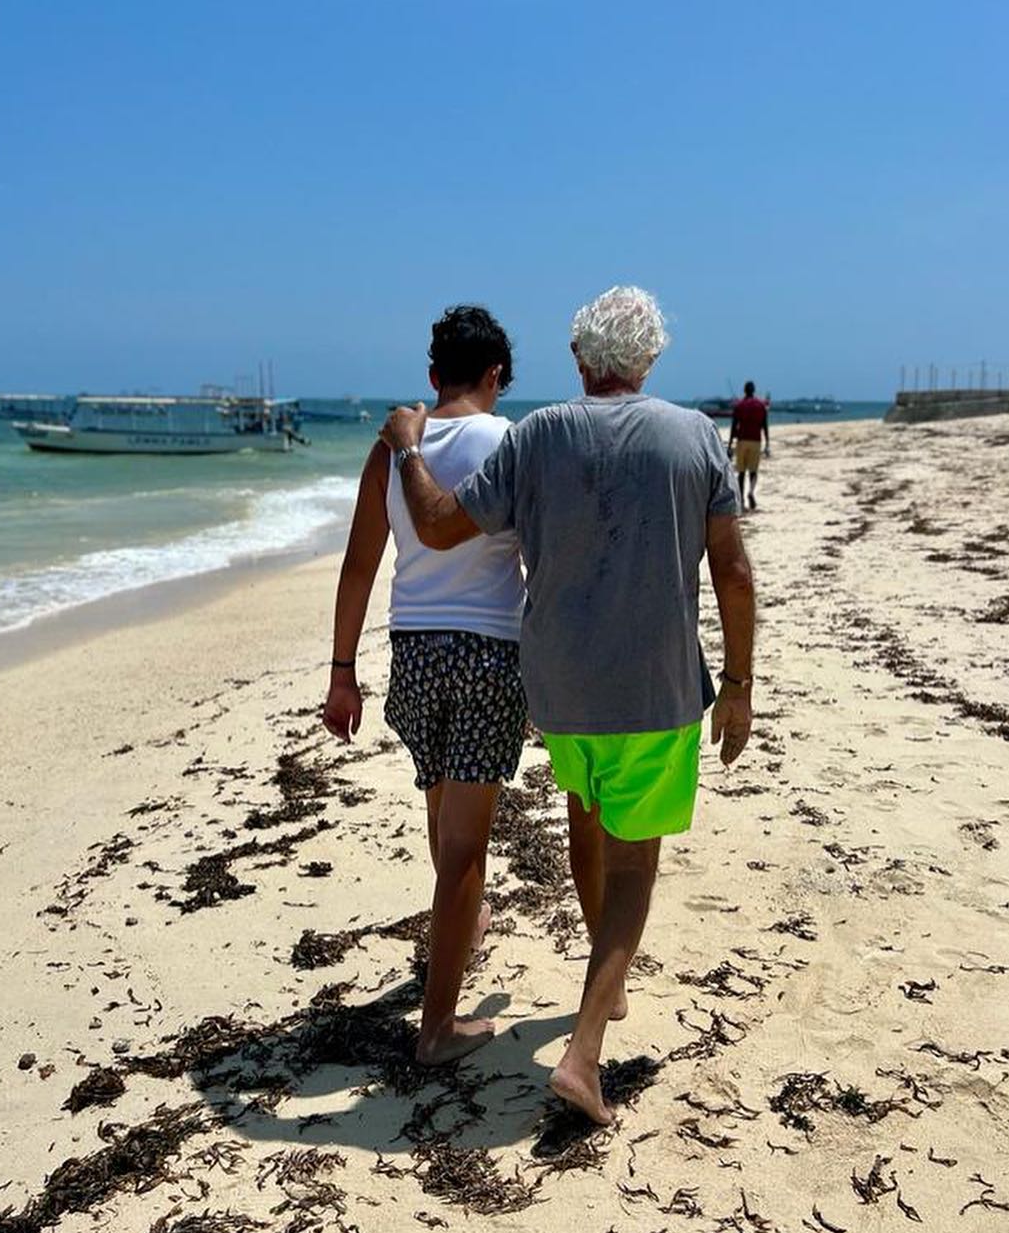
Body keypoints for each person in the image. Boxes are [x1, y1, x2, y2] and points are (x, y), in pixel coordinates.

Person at [380, 286, 756, 1125]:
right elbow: (732, 571)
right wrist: (738, 687)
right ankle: (584, 1053)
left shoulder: (540, 433)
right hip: (655, 689)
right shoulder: (695, 437)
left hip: (559, 692)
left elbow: (438, 526)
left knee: (590, 818)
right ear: (650, 358)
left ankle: (603, 981)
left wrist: (410, 448)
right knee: (634, 861)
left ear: (581, 362)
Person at [322, 305, 526, 1066]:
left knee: (445, 821)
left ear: (434, 375)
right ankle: (437, 1028)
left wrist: (342, 673)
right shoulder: (509, 442)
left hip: (412, 652)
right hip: (487, 655)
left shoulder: (389, 452)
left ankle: (461, 932)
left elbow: (358, 567)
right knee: (469, 845)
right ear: (495, 376)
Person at [728, 381, 770, 510]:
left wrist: (730, 444)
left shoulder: (739, 405)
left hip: (742, 441)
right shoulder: (761, 405)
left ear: (744, 391)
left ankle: (741, 501)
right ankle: (751, 492)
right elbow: (764, 425)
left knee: (741, 472)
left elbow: (734, 426)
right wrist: (767, 442)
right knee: (753, 471)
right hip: (756, 441)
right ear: (754, 391)